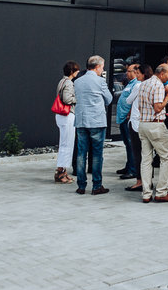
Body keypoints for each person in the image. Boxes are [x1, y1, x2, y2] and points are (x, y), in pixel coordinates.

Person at [136, 62, 168, 203]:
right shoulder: (158, 86)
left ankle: (146, 193)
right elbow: (158, 108)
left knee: (146, 159)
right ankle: (161, 192)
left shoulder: (144, 84)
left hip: (143, 124)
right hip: (156, 125)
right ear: (161, 73)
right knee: (166, 157)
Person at [73, 56, 114, 195]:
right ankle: (97, 185)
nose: (102, 69)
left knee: (81, 153)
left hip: (81, 120)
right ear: (97, 67)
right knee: (97, 154)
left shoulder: (77, 81)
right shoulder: (100, 81)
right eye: (102, 67)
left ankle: (81, 185)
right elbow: (109, 99)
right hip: (96, 120)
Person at [123, 64, 152, 192]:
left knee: (137, 152)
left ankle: (140, 181)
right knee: (148, 153)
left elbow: (128, 101)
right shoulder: (153, 85)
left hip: (136, 123)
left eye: (138, 73)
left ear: (143, 74)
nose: (136, 75)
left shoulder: (138, 86)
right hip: (147, 122)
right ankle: (148, 180)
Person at [54, 61, 79, 184]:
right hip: (67, 115)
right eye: (76, 70)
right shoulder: (69, 83)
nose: (78, 72)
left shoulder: (62, 81)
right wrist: (77, 98)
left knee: (65, 143)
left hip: (61, 115)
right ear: (71, 72)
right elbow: (67, 99)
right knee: (66, 144)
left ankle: (63, 171)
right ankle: (60, 173)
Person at [115, 63, 140, 180]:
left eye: (129, 71)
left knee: (131, 144)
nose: (127, 73)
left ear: (136, 72)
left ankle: (132, 169)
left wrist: (129, 113)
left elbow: (134, 101)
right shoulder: (130, 83)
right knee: (127, 143)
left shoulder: (137, 84)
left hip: (127, 118)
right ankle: (128, 165)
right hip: (123, 117)